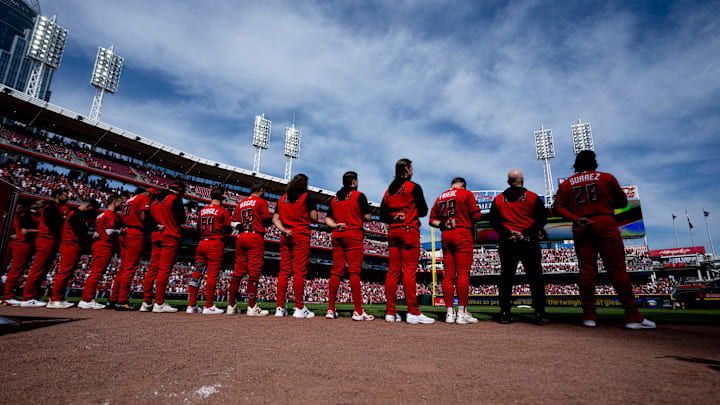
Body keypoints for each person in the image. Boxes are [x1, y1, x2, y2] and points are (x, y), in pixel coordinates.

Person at [554, 150, 655, 329]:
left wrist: (576, 218)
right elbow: (623, 203)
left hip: (581, 226)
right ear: (594, 162)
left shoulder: (567, 184)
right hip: (605, 223)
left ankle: (589, 316)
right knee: (617, 270)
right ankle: (633, 317)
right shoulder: (606, 178)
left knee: (586, 272)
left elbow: (558, 208)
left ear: (576, 164)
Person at [488, 170, 548, 325]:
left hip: (508, 242)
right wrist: (525, 233)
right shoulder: (533, 197)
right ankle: (540, 314)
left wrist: (508, 233)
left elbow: (493, 221)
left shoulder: (499, 199)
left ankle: (505, 313)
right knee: (535, 278)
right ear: (523, 180)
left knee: (506, 279)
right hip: (529, 241)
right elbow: (542, 219)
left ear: (508, 181)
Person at [380, 159, 434, 324]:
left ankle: (390, 312)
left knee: (393, 272)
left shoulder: (388, 191)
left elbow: (382, 215)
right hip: (409, 231)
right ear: (407, 169)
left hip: (393, 232)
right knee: (409, 272)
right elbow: (424, 211)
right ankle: (413, 312)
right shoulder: (413, 187)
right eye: (411, 168)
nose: (413, 171)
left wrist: (394, 216)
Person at [429, 177, 482, 324]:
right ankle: (462, 313)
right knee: (463, 275)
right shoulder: (466, 194)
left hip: (446, 235)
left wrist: (444, 224)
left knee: (448, 276)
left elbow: (431, 220)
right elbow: (477, 215)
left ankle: (449, 313)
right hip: (462, 233)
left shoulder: (440, 196)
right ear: (463, 185)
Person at [325, 171, 374, 321]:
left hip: (337, 235)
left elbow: (327, 219)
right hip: (353, 234)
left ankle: (330, 309)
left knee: (336, 272)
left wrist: (336, 224)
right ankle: (358, 311)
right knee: (354, 272)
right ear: (353, 181)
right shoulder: (359, 196)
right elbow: (367, 217)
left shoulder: (335, 199)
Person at [274, 174, 318, 318]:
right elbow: (314, 217)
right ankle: (299, 307)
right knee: (299, 272)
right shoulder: (307, 197)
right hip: (300, 234)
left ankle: (279, 307)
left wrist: (284, 230)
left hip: (285, 235)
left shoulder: (282, 198)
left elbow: (275, 218)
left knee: (284, 271)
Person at [227, 183, 272, 316]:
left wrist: (241, 225)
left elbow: (232, 222)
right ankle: (252, 307)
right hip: (255, 236)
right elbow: (266, 220)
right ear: (261, 190)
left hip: (241, 237)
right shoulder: (260, 201)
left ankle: (231, 306)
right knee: (253, 272)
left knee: (237, 272)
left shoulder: (241, 203)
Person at [48, 199, 100, 308]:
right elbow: (79, 230)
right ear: (88, 206)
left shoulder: (77, 214)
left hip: (73, 244)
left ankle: (58, 297)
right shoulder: (76, 214)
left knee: (67, 273)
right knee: (64, 272)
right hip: (70, 244)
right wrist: (86, 227)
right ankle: (54, 299)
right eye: (92, 210)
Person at [21, 189, 68, 307]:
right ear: (57, 195)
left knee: (43, 270)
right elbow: (50, 222)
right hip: (46, 238)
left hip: (50, 239)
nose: (67, 198)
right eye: (65, 195)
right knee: (38, 268)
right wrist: (62, 221)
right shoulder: (51, 207)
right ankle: (27, 297)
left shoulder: (55, 208)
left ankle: (35, 296)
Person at [143, 182, 186, 313]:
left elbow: (147, 218)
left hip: (156, 236)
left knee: (152, 269)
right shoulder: (175, 199)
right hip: (170, 236)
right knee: (164, 271)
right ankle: (159, 303)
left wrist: (156, 225)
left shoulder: (155, 200)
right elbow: (182, 219)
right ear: (179, 191)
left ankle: (146, 302)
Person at [186, 188, 231, 315]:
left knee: (196, 274)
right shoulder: (223, 211)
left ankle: (192, 305)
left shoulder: (202, 211)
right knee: (212, 275)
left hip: (202, 243)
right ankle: (209, 305)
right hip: (215, 243)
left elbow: (198, 228)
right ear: (221, 196)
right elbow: (228, 230)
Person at [112, 188, 157, 311]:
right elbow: (143, 217)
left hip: (125, 231)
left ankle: (113, 298)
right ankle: (122, 300)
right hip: (135, 232)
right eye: (153, 197)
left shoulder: (130, 199)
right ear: (150, 194)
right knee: (129, 267)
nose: (152, 200)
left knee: (122, 268)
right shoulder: (144, 198)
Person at [79, 195, 123, 309]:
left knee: (94, 272)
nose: (121, 204)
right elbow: (109, 231)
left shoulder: (101, 215)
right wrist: (121, 231)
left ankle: (86, 298)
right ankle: (87, 299)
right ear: (114, 202)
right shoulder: (110, 215)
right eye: (120, 202)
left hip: (98, 244)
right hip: (104, 245)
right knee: (97, 273)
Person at [2, 202, 40, 306]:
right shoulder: (24, 216)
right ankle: (8, 296)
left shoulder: (17, 216)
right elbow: (24, 231)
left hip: (17, 243)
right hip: (21, 244)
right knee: (15, 270)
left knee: (14, 270)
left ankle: (8, 295)